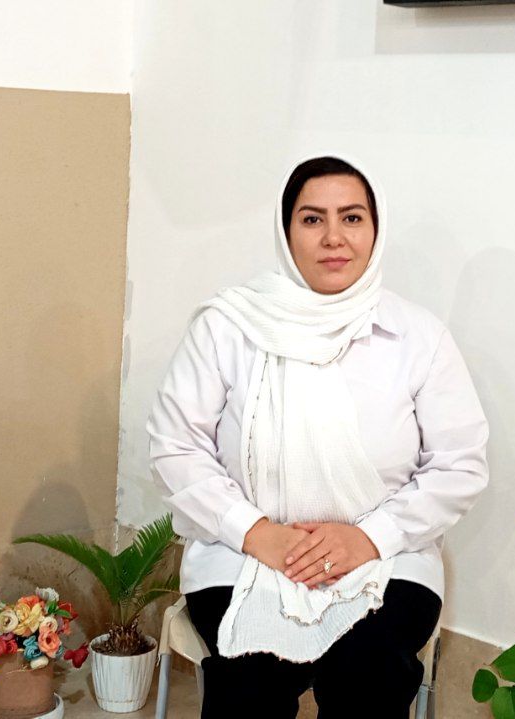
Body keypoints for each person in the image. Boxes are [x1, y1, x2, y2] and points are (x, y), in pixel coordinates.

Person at [146, 152, 489, 718]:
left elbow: (459, 465)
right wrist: (257, 533)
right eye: (312, 219)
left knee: (370, 673)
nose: (334, 237)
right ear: (286, 232)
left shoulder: (418, 337)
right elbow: (175, 447)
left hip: (385, 559)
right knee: (248, 683)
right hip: (244, 557)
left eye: (352, 218)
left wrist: (368, 537)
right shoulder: (228, 327)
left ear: (375, 230)